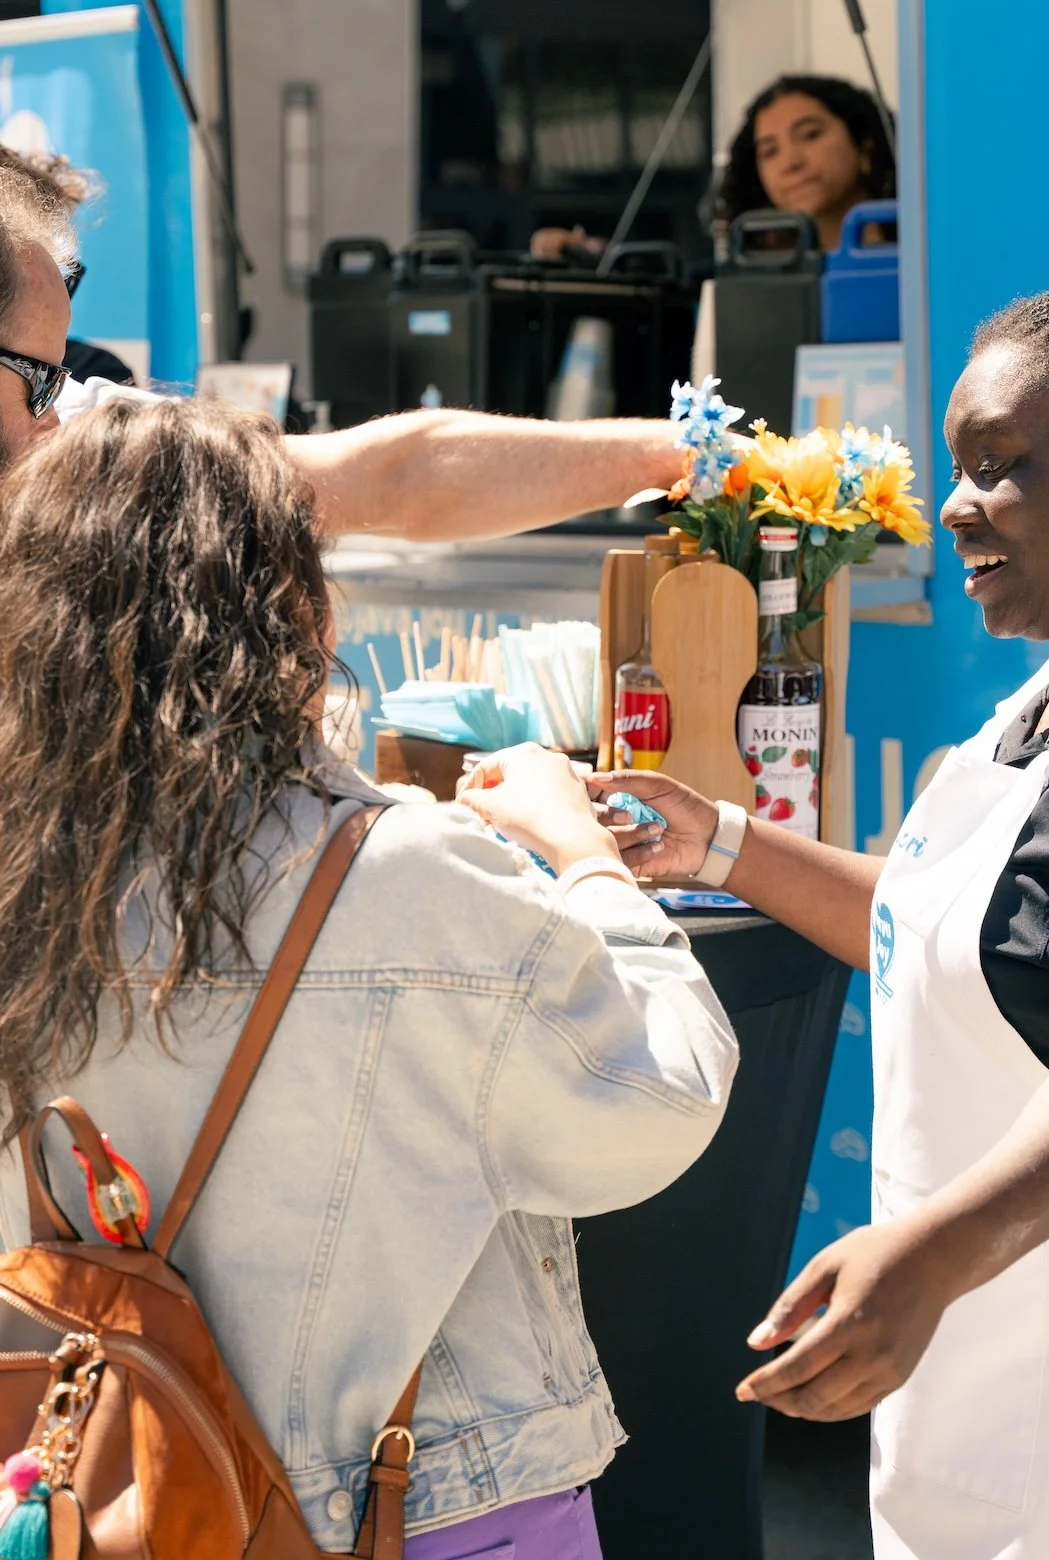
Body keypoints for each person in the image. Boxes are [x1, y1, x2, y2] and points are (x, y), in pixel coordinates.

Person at [594, 283, 1049, 1559]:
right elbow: (953, 935)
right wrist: (722, 843)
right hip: (999, 1342)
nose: (955, 506)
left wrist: (922, 1259)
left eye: (996, 469)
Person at [0, 395, 737, 1554]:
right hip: (423, 1503)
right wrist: (590, 865)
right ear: (287, 602)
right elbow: (655, 1104)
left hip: (115, 1498)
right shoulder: (401, 870)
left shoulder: (23, 869)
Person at [0, 144, 680, 527]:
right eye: (38, 382)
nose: (56, 417)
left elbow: (395, 478)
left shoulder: (90, 448)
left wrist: (671, 454)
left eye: (60, 379)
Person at [715, 74, 895, 253]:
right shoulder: (753, 275)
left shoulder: (919, 252)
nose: (790, 163)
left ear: (864, 146)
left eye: (810, 135)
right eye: (770, 152)